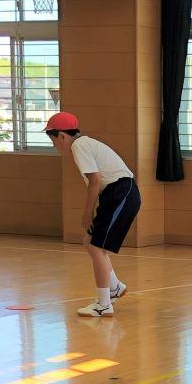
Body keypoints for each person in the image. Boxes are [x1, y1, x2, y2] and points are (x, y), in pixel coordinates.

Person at [44, 112, 139, 319]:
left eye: (53, 140)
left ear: (62, 135)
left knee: (96, 246)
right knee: (90, 241)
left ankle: (104, 305)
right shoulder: (85, 144)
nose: (54, 145)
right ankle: (114, 287)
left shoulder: (79, 146)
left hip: (120, 192)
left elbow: (95, 181)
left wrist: (87, 213)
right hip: (117, 193)